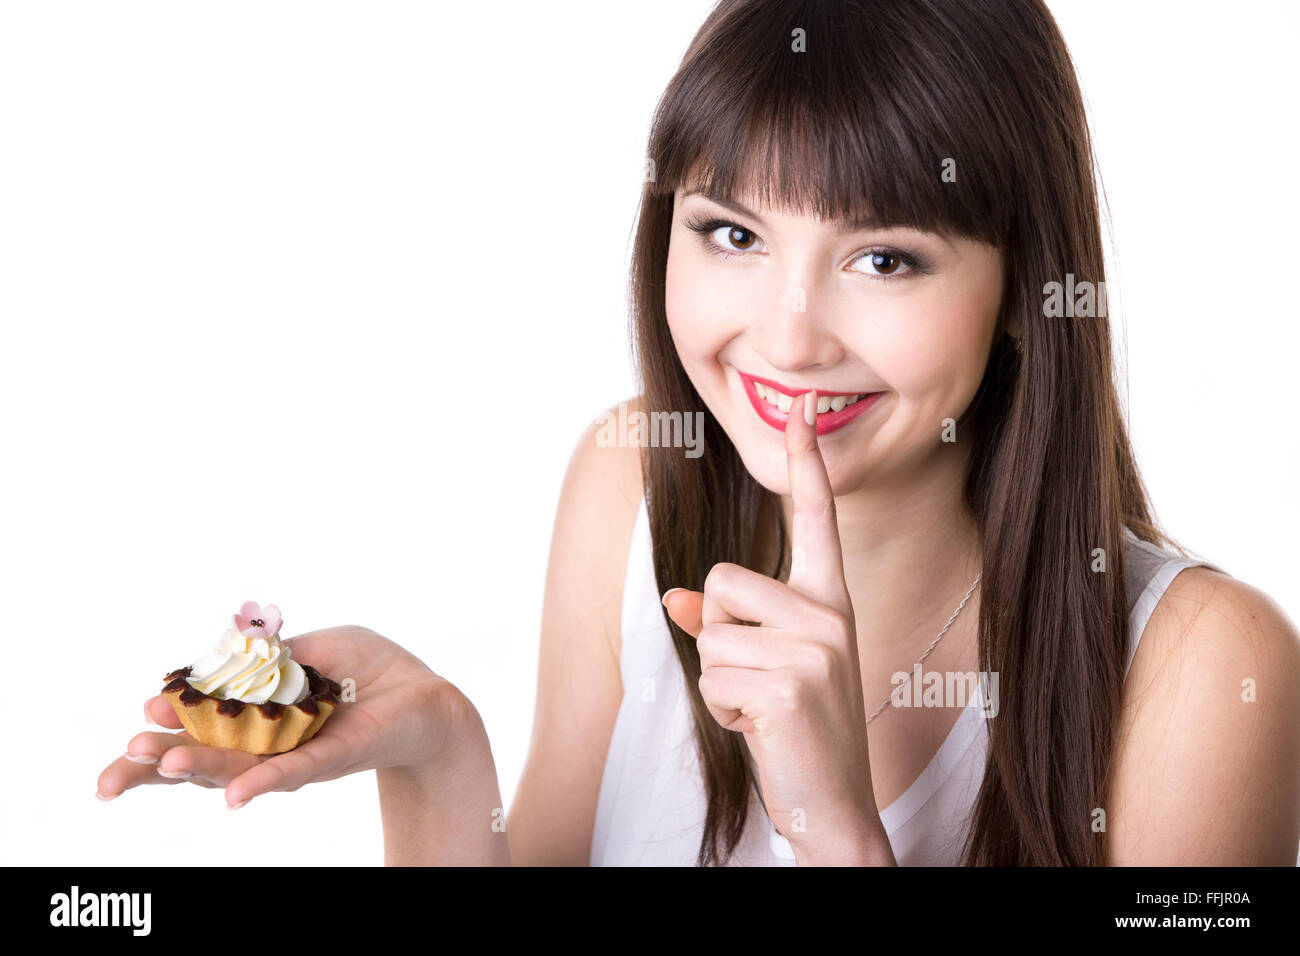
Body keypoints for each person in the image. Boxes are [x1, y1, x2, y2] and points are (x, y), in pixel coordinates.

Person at [96, 0, 1300, 865]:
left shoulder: (1198, 672)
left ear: (1028, 292)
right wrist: (442, 758)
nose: (786, 336)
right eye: (732, 232)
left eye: (883, 257)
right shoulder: (631, 483)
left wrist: (835, 826)